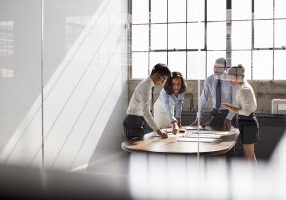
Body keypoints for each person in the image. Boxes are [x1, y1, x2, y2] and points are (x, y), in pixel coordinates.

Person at [123, 63, 171, 141]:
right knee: (137, 149)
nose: (163, 82)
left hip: (136, 120)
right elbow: (146, 112)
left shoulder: (147, 84)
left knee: (139, 148)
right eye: (164, 79)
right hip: (133, 121)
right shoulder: (146, 87)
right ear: (156, 75)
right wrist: (159, 131)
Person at [223, 64, 259, 163]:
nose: (230, 81)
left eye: (231, 78)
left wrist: (229, 107)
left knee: (249, 156)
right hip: (245, 122)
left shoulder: (244, 89)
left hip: (248, 123)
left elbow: (246, 111)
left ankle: (254, 178)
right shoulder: (242, 86)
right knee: (250, 156)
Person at [191, 58, 237, 130]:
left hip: (229, 113)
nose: (216, 69)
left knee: (229, 138)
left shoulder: (231, 80)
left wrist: (229, 118)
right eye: (215, 66)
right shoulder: (209, 80)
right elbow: (203, 99)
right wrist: (199, 117)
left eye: (219, 67)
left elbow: (235, 101)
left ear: (225, 68)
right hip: (216, 113)